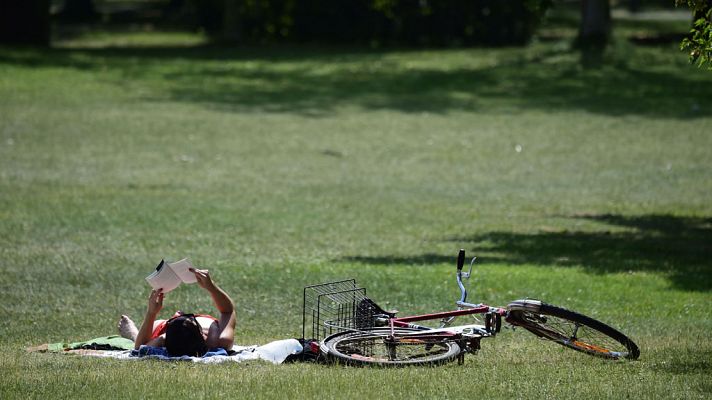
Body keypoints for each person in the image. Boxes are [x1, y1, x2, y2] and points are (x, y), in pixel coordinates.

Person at [118, 267, 236, 357]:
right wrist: (211, 287)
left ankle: (134, 334)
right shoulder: (219, 341)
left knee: (142, 342)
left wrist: (151, 313)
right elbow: (228, 311)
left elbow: (139, 349)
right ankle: (136, 335)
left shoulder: (162, 339)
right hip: (179, 332)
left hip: (165, 329)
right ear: (201, 333)